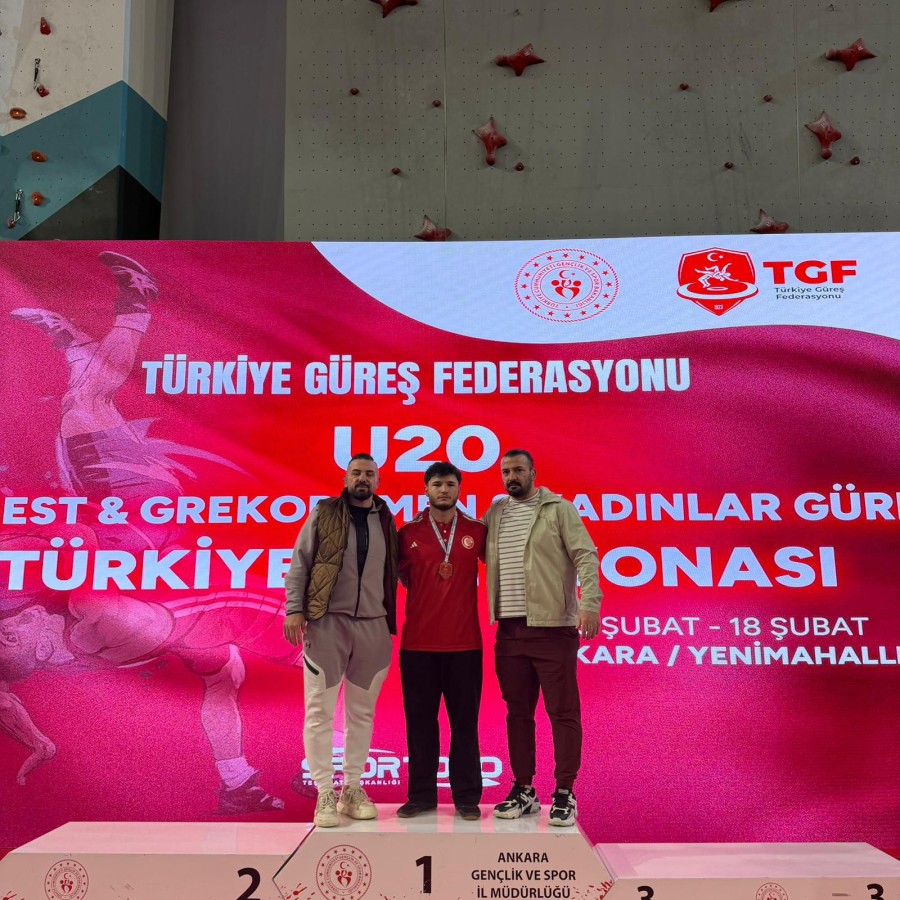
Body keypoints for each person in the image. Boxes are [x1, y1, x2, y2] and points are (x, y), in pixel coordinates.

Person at [483, 449, 601, 827]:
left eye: (518, 469)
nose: (511, 476)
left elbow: (586, 555)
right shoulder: (495, 514)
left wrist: (590, 604)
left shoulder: (559, 510)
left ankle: (565, 791)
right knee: (517, 714)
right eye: (506, 471)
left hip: (553, 629)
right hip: (509, 631)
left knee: (562, 713)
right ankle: (524, 789)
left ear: (533, 472)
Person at [284, 453, 398, 827]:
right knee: (319, 711)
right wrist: (294, 609)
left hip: (373, 626)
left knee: (361, 713)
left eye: (369, 474)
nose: (362, 478)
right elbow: (300, 563)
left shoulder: (386, 518)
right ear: (346, 479)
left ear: (377, 481)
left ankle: (352, 788)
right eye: (356, 473)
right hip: (326, 622)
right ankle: (324, 793)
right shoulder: (324, 512)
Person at [396, 462, 487, 821]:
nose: (444, 490)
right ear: (426, 489)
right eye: (437, 484)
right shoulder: (408, 532)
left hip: (465, 645)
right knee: (420, 724)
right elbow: (402, 576)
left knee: (465, 725)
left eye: (450, 484)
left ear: (459, 489)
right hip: (417, 645)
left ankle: (467, 797)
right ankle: (421, 796)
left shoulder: (477, 530)